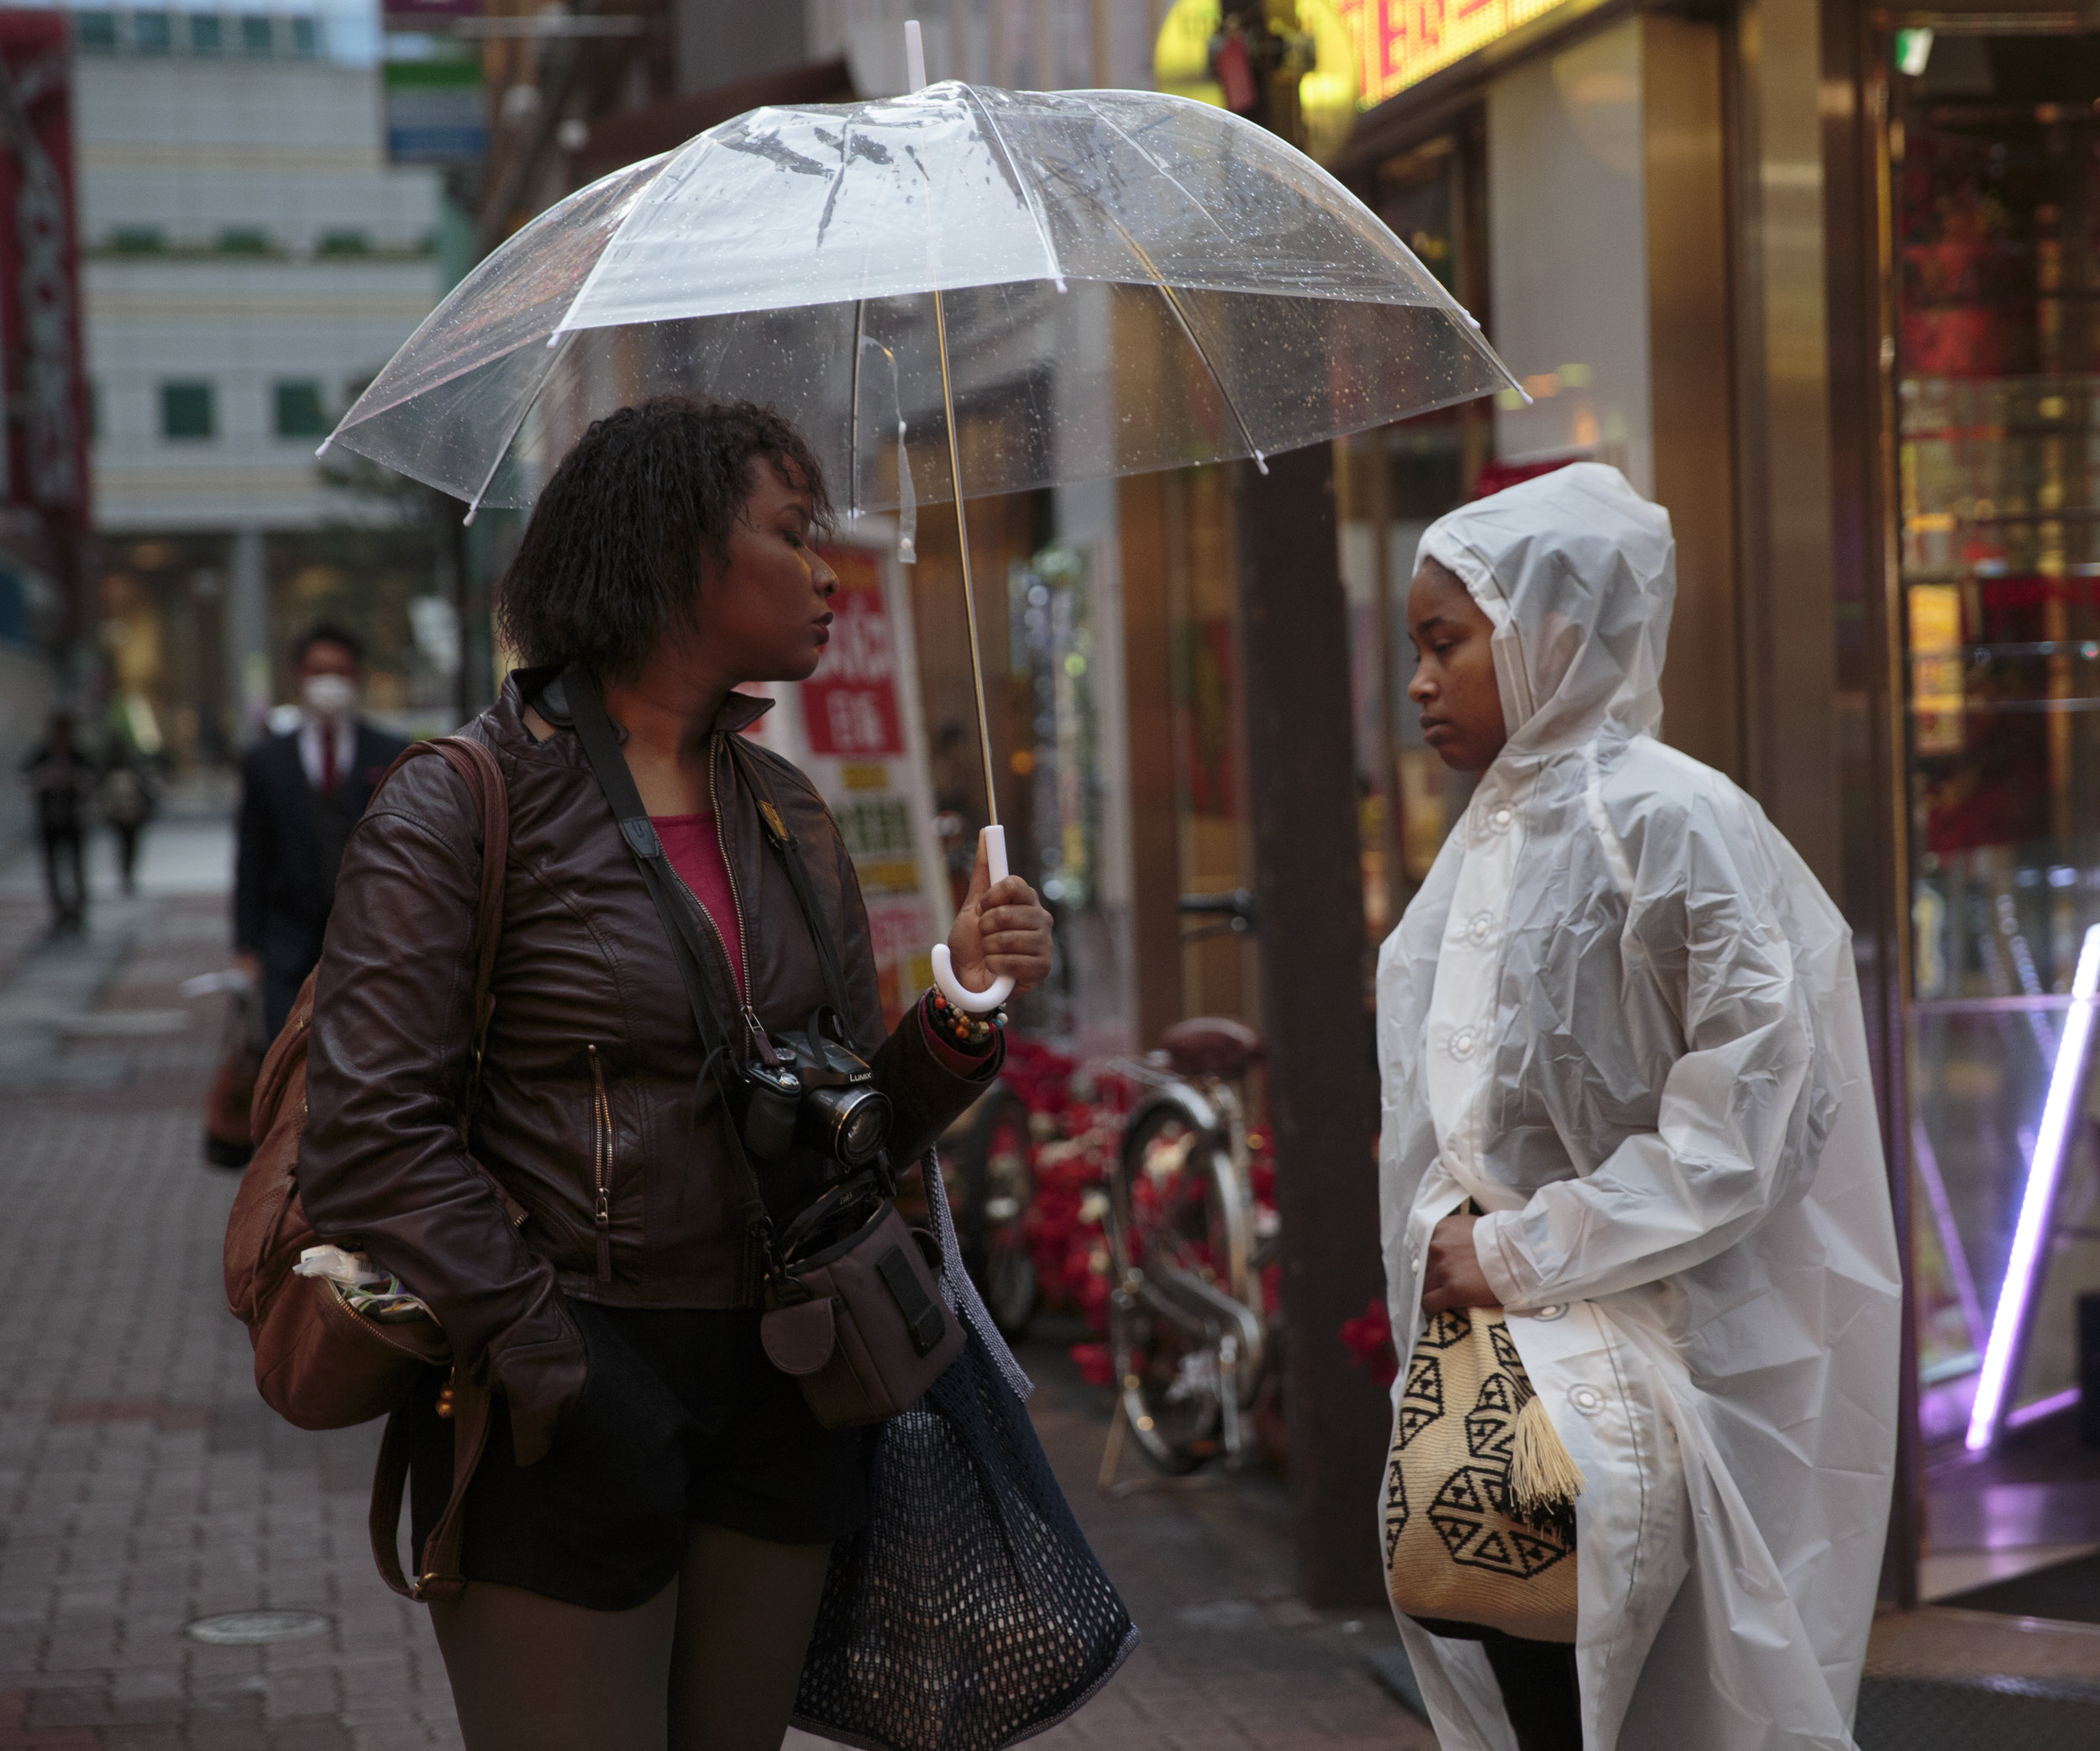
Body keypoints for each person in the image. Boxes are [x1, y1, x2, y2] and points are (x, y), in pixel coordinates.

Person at [296, 398, 1057, 1750]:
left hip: (785, 1385)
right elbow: (369, 1139)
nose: (826, 572)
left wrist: (962, 1009)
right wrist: (558, 1365)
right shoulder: (457, 804)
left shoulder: (788, 810)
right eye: (789, 534)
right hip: (566, 1387)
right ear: (673, 554)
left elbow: (843, 1123)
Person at [1377, 464, 1900, 1751]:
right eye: (1416, 649)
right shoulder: (1493, 835)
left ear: (1549, 626)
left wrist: (1516, 1248)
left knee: (1653, 1699)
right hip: (1511, 1383)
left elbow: (1762, 1114)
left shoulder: (1672, 821)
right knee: (1538, 1681)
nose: (1419, 682)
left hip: (1666, 1371)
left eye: (1446, 643)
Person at [234, 623, 407, 1040]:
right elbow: (251, 858)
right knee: (286, 1063)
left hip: (371, 946)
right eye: (317, 671)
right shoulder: (266, 761)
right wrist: (245, 948)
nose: (328, 683)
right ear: (299, 676)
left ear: (357, 677)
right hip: (286, 947)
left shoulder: (390, 752)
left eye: (340, 672)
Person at [20, 710, 96, 931]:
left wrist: (75, 780)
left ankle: (78, 909)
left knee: (76, 865)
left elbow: (92, 778)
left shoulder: (78, 754)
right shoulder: (42, 753)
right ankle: (59, 910)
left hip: (73, 819)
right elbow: (24, 776)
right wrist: (43, 779)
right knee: (52, 867)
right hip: (49, 820)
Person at [99, 739, 158, 896]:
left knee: (126, 846)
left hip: (131, 814)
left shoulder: (121, 771)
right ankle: (126, 875)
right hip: (123, 815)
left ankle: (127, 875)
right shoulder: (126, 771)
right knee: (127, 846)